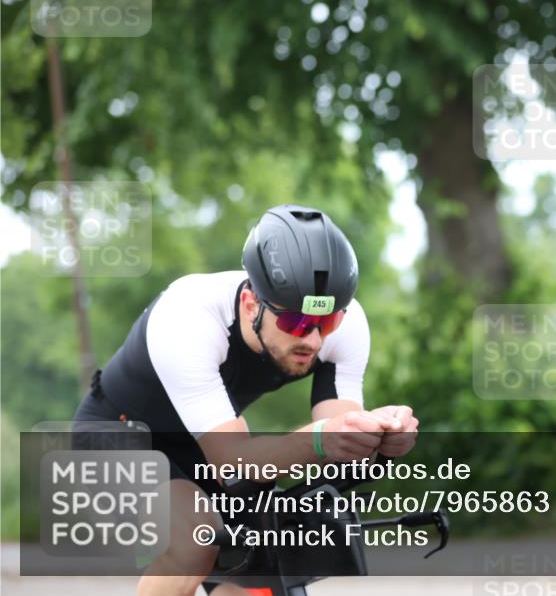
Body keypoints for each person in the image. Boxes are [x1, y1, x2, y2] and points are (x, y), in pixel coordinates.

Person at [71, 204, 419, 596]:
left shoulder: (347, 321)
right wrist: (322, 438)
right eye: (295, 323)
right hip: (118, 434)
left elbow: (340, 437)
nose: (313, 339)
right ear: (252, 304)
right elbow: (236, 458)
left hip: (206, 439)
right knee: (195, 541)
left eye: (327, 322)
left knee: (259, 566)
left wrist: (379, 437)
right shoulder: (188, 317)